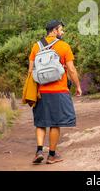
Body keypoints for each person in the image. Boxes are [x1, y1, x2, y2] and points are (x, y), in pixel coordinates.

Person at [28, 19, 82, 165]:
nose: (62, 32)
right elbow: (71, 69)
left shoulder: (36, 46)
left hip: (41, 91)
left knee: (40, 122)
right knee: (55, 123)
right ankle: (51, 156)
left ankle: (39, 151)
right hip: (59, 90)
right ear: (54, 30)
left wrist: (32, 91)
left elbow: (30, 70)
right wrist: (78, 86)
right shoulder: (64, 46)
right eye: (61, 29)